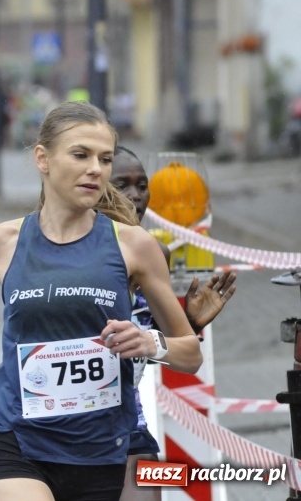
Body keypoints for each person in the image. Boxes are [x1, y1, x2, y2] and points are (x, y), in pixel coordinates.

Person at [0, 101, 203, 501]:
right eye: (80, 155)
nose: (96, 168)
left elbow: (190, 354)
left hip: (102, 448)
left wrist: (151, 343)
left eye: (105, 158)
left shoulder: (133, 246)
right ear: (42, 158)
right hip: (19, 440)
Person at [111, 145, 236, 501]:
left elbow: (144, 348)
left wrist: (186, 326)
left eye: (142, 185)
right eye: (123, 185)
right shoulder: (72, 254)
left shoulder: (155, 254)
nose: (136, 196)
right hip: (68, 429)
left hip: (128, 423)